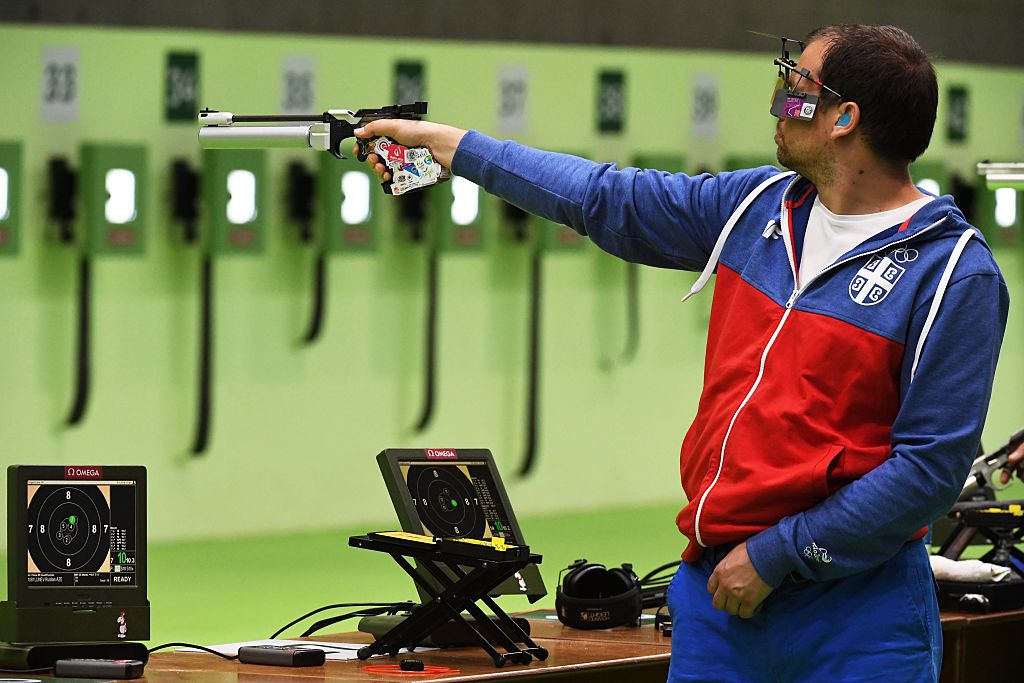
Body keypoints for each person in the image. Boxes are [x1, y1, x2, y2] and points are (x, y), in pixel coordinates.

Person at [356, 24, 1008, 683]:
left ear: (845, 119)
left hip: (857, 615)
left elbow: (928, 469)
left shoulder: (954, 271)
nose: (780, 101)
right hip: (719, 600)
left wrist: (776, 555)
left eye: (797, 88)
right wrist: (456, 149)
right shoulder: (754, 206)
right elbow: (605, 197)